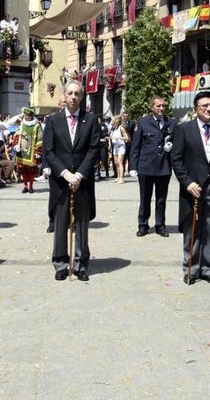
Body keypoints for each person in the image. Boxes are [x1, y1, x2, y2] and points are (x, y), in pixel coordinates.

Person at [171, 91, 210, 285]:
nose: (209, 109)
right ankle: (191, 267)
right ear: (195, 109)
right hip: (193, 187)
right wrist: (187, 182)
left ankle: (207, 268)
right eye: (204, 106)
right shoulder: (184, 129)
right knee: (192, 228)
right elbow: (176, 159)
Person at [43, 80, 100, 281]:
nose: (73, 97)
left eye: (77, 93)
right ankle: (60, 263)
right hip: (61, 182)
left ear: (81, 97)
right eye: (70, 93)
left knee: (82, 225)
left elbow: (94, 149)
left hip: (82, 182)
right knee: (60, 224)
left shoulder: (91, 120)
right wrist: (65, 173)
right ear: (64, 96)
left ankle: (81, 264)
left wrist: (80, 174)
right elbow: (49, 152)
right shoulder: (52, 121)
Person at [128, 95, 173, 237]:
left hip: (163, 167)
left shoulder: (171, 123)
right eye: (158, 106)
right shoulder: (143, 122)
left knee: (161, 199)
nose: (161, 108)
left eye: (163, 106)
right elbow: (135, 146)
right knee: (145, 198)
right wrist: (133, 167)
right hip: (146, 167)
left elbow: (177, 143)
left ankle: (160, 225)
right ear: (151, 107)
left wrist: (171, 146)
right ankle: (143, 225)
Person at [13, 108, 42, 193]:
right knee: (23, 170)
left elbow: (40, 138)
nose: (25, 117)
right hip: (21, 151)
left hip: (32, 152)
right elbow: (16, 135)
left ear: (30, 116)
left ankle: (31, 187)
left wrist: (38, 151)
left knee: (32, 170)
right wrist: (16, 145)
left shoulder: (37, 125)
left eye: (27, 116)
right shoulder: (22, 124)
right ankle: (25, 186)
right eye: (24, 115)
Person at [109, 116, 129, 183]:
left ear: (116, 121)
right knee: (116, 163)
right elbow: (112, 136)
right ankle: (118, 177)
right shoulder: (114, 128)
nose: (112, 122)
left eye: (113, 120)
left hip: (121, 146)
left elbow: (126, 138)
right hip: (115, 146)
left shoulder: (121, 128)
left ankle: (121, 178)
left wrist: (119, 137)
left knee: (120, 162)